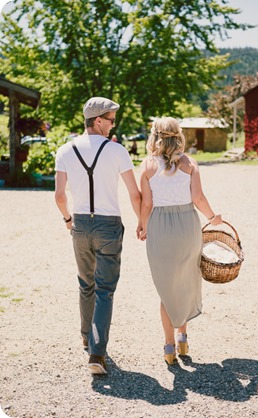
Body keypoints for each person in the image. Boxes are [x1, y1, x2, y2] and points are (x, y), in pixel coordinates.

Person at [55, 97, 141, 375]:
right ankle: (97, 352)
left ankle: (85, 335)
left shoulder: (65, 150)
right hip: (108, 225)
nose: (113, 125)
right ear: (98, 120)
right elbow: (134, 193)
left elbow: (58, 196)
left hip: (79, 223)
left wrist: (68, 219)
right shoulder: (117, 152)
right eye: (112, 120)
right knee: (105, 290)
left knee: (86, 283)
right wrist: (142, 221)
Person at [139, 117, 222, 365]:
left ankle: (168, 347)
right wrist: (212, 217)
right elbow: (198, 197)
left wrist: (142, 225)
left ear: (154, 136)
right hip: (187, 225)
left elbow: (147, 203)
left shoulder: (147, 165)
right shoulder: (190, 163)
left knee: (167, 289)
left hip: (160, 228)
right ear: (178, 136)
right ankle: (183, 337)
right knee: (185, 282)